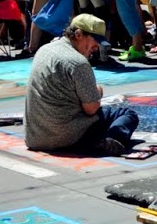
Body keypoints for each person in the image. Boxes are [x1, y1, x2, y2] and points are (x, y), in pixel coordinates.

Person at [23, 14, 138, 156]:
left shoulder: (44, 50)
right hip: (66, 136)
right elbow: (91, 109)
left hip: (35, 137)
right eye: (95, 41)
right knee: (127, 113)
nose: (96, 48)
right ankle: (113, 139)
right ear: (78, 35)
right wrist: (98, 92)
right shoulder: (78, 63)